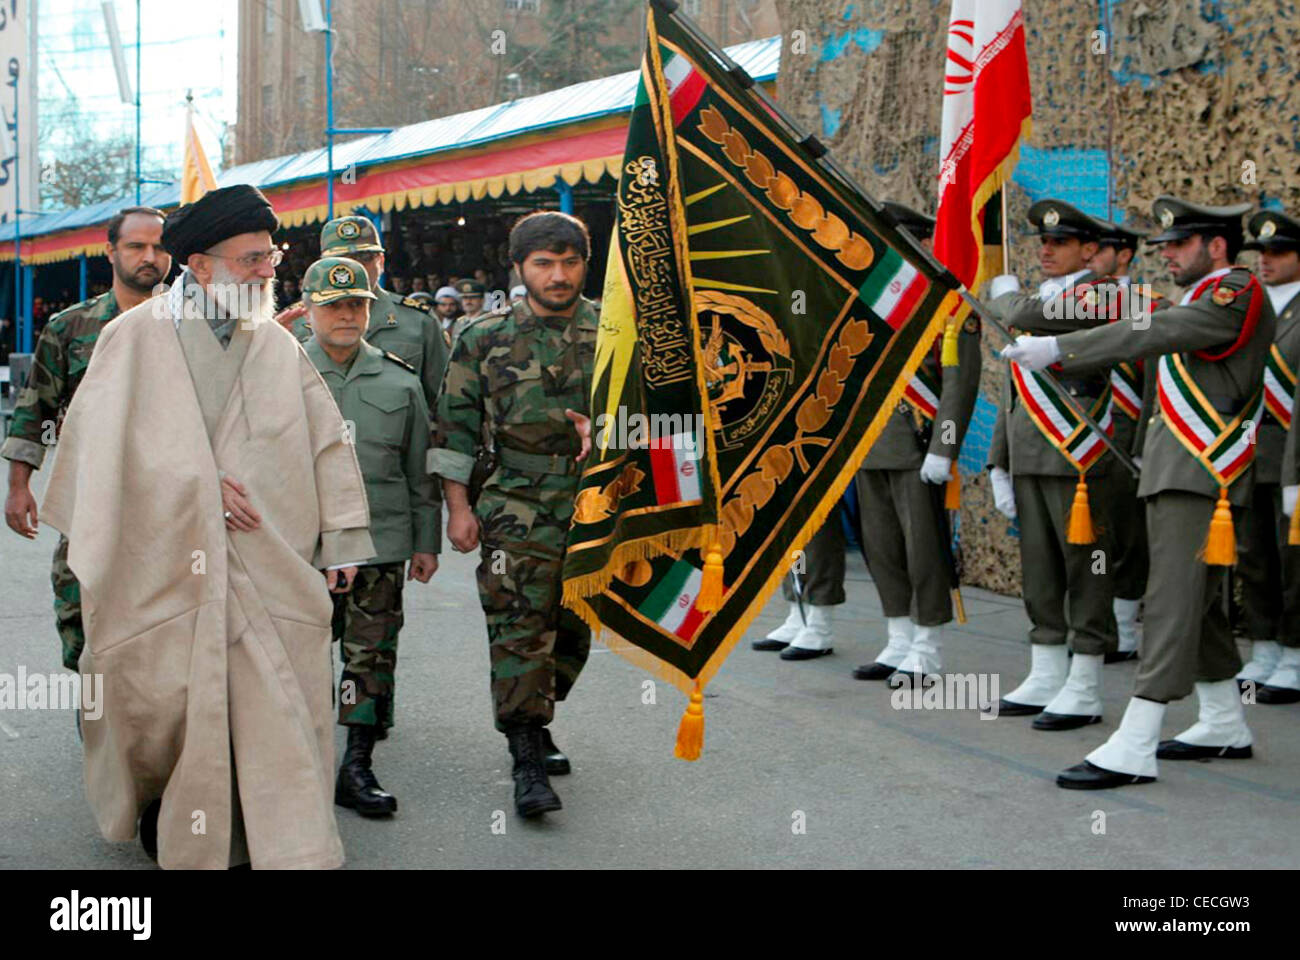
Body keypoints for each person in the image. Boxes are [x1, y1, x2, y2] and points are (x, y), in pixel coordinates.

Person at [41, 183, 375, 866]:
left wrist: (341, 537)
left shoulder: (277, 346)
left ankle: (275, 839)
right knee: (167, 702)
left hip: (267, 561)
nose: (267, 271)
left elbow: (323, 443)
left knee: (272, 703)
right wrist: (197, 483)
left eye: (270, 256)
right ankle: (170, 812)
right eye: (252, 259)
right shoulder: (130, 338)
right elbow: (99, 454)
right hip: (163, 563)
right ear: (198, 264)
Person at [1002, 196, 1274, 789]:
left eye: (1178, 244)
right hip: (1176, 474)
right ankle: (1225, 721)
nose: (1167, 255)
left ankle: (1136, 739)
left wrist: (1061, 349)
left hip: (1205, 477)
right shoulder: (1197, 296)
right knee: (1196, 608)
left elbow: (1155, 330)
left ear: (1218, 246)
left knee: (1170, 603)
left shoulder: (1235, 292)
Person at [430, 211, 595, 819]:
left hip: (594, 507)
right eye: (545, 263)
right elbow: (455, 426)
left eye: (570, 261)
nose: (559, 274)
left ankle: (540, 713)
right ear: (520, 268)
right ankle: (525, 752)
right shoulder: (483, 335)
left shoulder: (613, 331)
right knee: (519, 627)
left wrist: (609, 432)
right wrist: (458, 508)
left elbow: (653, 415)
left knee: (576, 627)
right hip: (514, 502)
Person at [299, 256, 440, 816]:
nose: (346, 314)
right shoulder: (281, 373)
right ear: (307, 309)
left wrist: (426, 541)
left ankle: (355, 765)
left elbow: (418, 471)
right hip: (301, 549)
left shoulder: (400, 381)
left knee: (370, 658)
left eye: (356, 303)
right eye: (333, 304)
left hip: (379, 545)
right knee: (296, 655)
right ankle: (292, 759)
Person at [3, 206, 171, 672]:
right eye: (136, 246)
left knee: (168, 629)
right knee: (82, 620)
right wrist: (19, 488)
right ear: (111, 251)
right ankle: (98, 722)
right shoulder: (71, 328)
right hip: (90, 501)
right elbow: (34, 411)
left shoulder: (194, 327)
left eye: (159, 247)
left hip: (171, 506)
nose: (150, 257)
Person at [985, 199, 1120, 729]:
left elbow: (1024, 315)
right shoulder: (1039, 296)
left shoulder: (1107, 295)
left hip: (1078, 459)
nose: (1046, 250)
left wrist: (1006, 297)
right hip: (1031, 453)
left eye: (1060, 242)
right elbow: (1013, 390)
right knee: (1040, 571)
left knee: (1086, 570)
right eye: (1042, 242)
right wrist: (999, 461)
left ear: (1090, 249)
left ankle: (1085, 681)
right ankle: (1045, 667)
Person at [850, 202, 981, 680]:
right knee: (880, 546)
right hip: (871, 443)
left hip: (919, 445)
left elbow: (959, 385)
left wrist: (944, 449)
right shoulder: (871, 299)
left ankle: (927, 645)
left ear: (925, 243)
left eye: (901, 239)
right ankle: (898, 637)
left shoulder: (948, 304)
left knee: (923, 550)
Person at [1233, 209, 1300, 703]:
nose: (1267, 262)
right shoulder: (1248, 307)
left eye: (1278, 253)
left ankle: (1295, 655)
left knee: (1293, 558)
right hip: (1251, 451)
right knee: (1254, 556)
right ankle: (1264, 647)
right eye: (1260, 253)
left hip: (1291, 451)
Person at [290, 216, 449, 413]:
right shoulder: (295, 322)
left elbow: (445, 402)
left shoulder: (418, 322)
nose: (353, 268)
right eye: (342, 260)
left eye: (365, 258)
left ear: (381, 262)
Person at [1088, 216, 1150, 663]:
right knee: (1096, 537)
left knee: (1128, 536)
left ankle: (1125, 627)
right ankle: (1099, 623)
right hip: (1087, 437)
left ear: (1124, 254)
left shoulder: (1146, 306)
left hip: (1127, 435)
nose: (1092, 256)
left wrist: (1145, 444)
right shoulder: (1079, 305)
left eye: (1101, 248)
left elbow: (1154, 384)